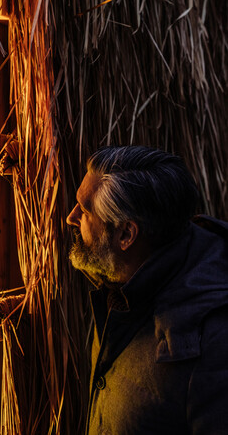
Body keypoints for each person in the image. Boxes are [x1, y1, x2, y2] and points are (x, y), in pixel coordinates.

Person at [67, 145, 228, 435]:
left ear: (126, 234)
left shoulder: (211, 343)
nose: (71, 217)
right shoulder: (121, 291)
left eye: (85, 211)